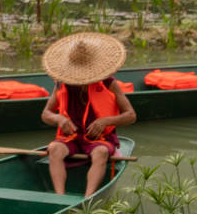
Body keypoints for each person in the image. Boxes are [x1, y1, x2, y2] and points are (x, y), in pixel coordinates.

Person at [40, 30, 135, 197]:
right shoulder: (63, 84)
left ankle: (88, 198)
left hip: (99, 139)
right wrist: (59, 119)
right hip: (71, 138)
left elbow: (130, 115)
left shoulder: (109, 83)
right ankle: (60, 197)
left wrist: (105, 121)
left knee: (101, 153)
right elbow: (46, 114)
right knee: (54, 149)